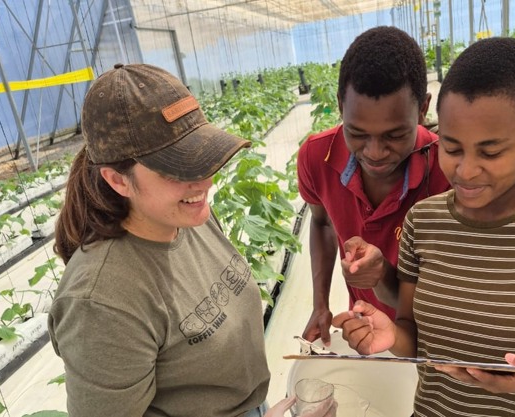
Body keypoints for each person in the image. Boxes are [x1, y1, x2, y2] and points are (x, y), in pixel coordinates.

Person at [332, 37, 515, 417]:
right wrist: (389, 334)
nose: (465, 171)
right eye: (451, 148)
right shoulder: (423, 222)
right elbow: (413, 334)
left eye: (491, 151)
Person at [48, 63, 334, 417]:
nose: (205, 181)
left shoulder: (189, 218)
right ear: (118, 180)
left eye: (201, 157)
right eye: (176, 169)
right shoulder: (102, 302)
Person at [297, 26, 450, 345]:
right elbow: (322, 222)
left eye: (395, 135)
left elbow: (449, 295)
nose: (375, 153)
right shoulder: (316, 157)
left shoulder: (449, 170)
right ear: (341, 106)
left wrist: (382, 277)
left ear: (423, 109)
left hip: (435, 335)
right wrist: (320, 304)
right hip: (365, 328)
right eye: (357, 133)